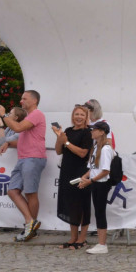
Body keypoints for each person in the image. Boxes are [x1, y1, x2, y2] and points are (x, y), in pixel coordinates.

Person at [0, 91, 47, 242]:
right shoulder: (29, 116)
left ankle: (30, 228)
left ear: (34, 100)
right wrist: (7, 142)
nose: (21, 100)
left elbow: (18, 128)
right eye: (21, 97)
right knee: (12, 191)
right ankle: (30, 222)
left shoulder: (37, 114)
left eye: (24, 98)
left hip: (33, 158)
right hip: (23, 158)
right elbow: (21, 136)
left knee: (31, 193)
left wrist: (4, 116)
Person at [53, 105, 94, 249]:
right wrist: (60, 137)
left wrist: (66, 142)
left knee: (82, 204)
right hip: (66, 170)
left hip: (81, 172)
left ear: (86, 117)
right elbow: (58, 151)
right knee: (70, 204)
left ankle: (82, 238)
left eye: (82, 115)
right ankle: (73, 237)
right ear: (72, 116)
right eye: (76, 114)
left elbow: (83, 153)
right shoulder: (68, 131)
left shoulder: (88, 133)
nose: (79, 117)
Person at [80, 121, 115, 255]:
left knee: (100, 212)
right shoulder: (96, 146)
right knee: (98, 212)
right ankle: (101, 243)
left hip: (101, 183)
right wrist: (84, 177)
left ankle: (102, 244)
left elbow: (106, 171)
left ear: (101, 132)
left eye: (94, 129)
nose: (91, 131)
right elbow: (93, 168)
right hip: (96, 182)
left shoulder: (105, 149)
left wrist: (90, 181)